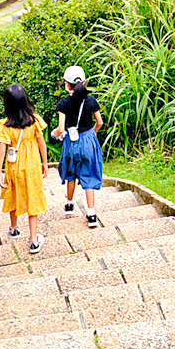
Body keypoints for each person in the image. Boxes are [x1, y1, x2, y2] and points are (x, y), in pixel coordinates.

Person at [0, 84, 49, 252]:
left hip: (13, 167)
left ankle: (14, 228)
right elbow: (41, 143)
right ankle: (33, 240)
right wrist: (45, 163)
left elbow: (1, 149)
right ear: (26, 100)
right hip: (31, 166)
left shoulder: (4, 125)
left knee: (13, 194)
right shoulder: (34, 121)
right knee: (32, 198)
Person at [50, 65, 103, 228]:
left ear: (66, 84)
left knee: (71, 173)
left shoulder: (63, 103)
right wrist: (91, 133)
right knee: (88, 175)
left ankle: (69, 205)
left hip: (71, 142)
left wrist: (54, 134)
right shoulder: (91, 100)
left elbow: (60, 128)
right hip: (88, 140)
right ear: (84, 82)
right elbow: (99, 122)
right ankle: (92, 214)